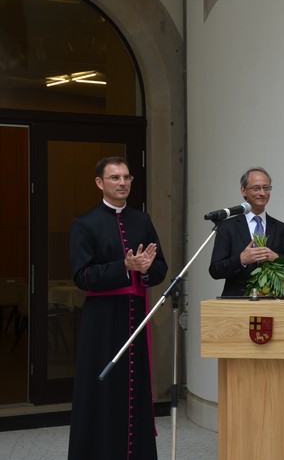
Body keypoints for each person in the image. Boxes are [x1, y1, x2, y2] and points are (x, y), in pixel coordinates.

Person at [68, 156, 168, 460]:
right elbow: (82, 276)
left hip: (137, 315)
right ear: (100, 182)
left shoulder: (142, 220)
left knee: (134, 390)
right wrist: (123, 267)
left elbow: (160, 266)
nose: (122, 183)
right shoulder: (85, 223)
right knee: (102, 391)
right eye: (115, 178)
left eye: (126, 177)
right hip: (102, 320)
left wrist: (148, 269)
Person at [208, 167, 284, 296]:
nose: (262, 193)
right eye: (256, 188)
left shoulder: (282, 228)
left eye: (266, 188)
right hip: (237, 301)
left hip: (273, 300)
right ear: (243, 191)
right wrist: (241, 260)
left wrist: (276, 259)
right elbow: (215, 270)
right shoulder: (228, 226)